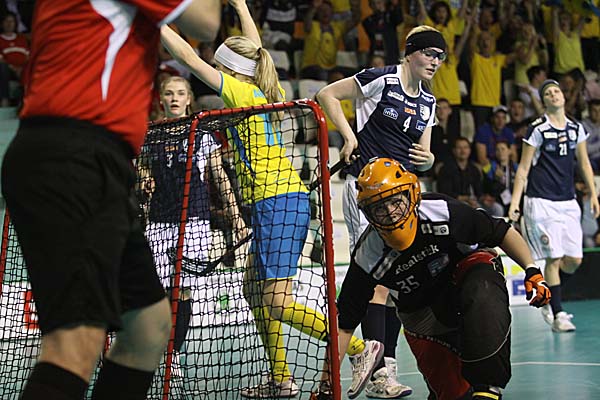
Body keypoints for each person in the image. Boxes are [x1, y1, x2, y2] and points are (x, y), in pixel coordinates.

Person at [0, 1, 220, 399]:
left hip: (86, 159)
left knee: (148, 326)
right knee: (75, 344)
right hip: (76, 155)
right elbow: (207, 22)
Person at [159, 1, 373, 397]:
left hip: (277, 201)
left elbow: (188, 58)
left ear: (229, 69)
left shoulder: (241, 90)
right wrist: (241, 6)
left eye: (219, 64)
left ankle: (359, 348)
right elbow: (255, 50)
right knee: (253, 290)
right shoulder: (256, 88)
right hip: (272, 202)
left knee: (276, 301)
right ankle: (281, 378)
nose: (214, 68)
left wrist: (152, 19)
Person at [312, 157, 551, 400]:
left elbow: (500, 231)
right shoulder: (367, 255)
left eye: (396, 201)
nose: (391, 213)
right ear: (368, 214)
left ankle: (488, 389)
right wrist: (326, 388)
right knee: (453, 395)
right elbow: (344, 324)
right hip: (422, 312)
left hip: (466, 277)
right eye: (379, 208)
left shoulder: (442, 210)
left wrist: (532, 270)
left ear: (412, 194)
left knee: (483, 286)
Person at [316, 25, 446, 399]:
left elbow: (423, 156)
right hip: (367, 192)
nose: (435, 62)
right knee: (376, 281)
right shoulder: (382, 80)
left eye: (440, 57)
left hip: (401, 202)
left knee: (393, 285)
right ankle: (377, 372)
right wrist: (348, 136)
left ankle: (383, 369)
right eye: (429, 53)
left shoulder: (428, 102)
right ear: (411, 52)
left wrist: (429, 159)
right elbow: (326, 94)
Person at [138, 76, 246, 394]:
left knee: (182, 291)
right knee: (157, 293)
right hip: (159, 220)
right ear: (161, 99)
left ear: (188, 99)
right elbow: (139, 166)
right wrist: (144, 177)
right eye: (169, 93)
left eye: (180, 93)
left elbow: (218, 175)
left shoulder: (202, 132)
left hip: (194, 222)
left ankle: (173, 355)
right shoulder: (151, 132)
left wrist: (236, 216)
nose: (174, 98)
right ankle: (155, 348)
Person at [508, 79, 600, 333]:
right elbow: (523, 168)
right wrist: (515, 203)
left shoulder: (576, 128)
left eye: (556, 91)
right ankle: (558, 314)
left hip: (568, 201)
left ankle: (550, 296)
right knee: (554, 257)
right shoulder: (537, 129)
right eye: (548, 93)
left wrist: (593, 194)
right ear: (544, 101)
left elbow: (584, 163)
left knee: (574, 261)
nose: (554, 95)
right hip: (541, 202)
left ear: (563, 97)